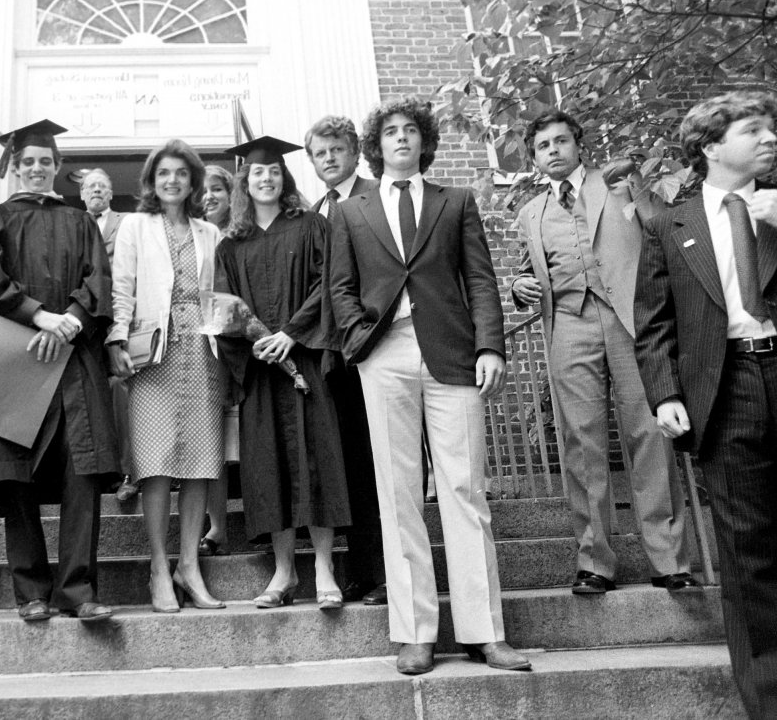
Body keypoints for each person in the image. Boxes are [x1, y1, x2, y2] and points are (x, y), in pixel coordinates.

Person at [330, 98, 529, 674]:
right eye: (389, 132)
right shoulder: (352, 211)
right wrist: (359, 339)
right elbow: (339, 286)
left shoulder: (455, 201)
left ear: (424, 142)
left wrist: (490, 345)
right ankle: (414, 633)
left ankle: (485, 632)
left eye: (410, 131)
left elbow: (482, 280)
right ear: (377, 145)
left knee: (464, 491)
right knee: (398, 496)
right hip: (383, 356)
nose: (400, 139)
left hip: (452, 354)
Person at [510, 109, 695, 595]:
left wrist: (637, 185)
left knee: (649, 434)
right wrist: (519, 284)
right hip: (568, 324)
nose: (553, 150)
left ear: (578, 145)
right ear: (534, 157)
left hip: (629, 321)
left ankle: (670, 559)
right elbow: (529, 269)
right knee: (582, 443)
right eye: (543, 145)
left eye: (561, 141)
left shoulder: (617, 185)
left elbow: (663, 227)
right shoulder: (530, 212)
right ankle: (595, 561)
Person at [634, 91, 777, 719]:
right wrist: (665, 393)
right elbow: (655, 320)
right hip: (728, 391)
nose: (770, 137)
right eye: (754, 129)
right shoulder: (672, 223)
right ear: (712, 146)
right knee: (748, 556)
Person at [0, 119, 119, 623]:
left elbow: (98, 278)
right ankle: (30, 592)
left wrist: (70, 320)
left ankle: (78, 592)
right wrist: (37, 315)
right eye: (27, 162)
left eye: (46, 161)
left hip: (73, 355)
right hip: (12, 354)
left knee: (81, 474)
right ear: (14, 167)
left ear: (57, 167)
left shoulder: (80, 222)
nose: (37, 169)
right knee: (15, 476)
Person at [215, 135, 350, 611]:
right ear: (244, 183)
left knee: (316, 462)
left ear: (284, 177)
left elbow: (328, 286)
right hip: (260, 370)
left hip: (306, 362)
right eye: (257, 173)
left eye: (273, 171)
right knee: (268, 468)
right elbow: (225, 308)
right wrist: (256, 343)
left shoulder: (311, 225)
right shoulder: (231, 245)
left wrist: (291, 333)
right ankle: (284, 572)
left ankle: (325, 570)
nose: (266, 178)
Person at [107, 139, 226, 613]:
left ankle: (189, 566)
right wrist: (117, 339)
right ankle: (159, 566)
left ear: (192, 181)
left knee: (199, 462)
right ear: (152, 183)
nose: (172, 180)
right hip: (152, 352)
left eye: (181, 173)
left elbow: (219, 293)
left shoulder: (209, 233)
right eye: (164, 174)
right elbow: (122, 287)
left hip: (201, 349)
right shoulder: (136, 226)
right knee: (154, 464)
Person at [303, 115, 387, 606]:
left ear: (355, 150)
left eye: (337, 148)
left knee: (383, 469)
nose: (330, 158)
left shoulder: (378, 198)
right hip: (332, 363)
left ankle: (387, 575)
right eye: (320, 152)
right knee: (351, 468)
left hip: (373, 350)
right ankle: (360, 570)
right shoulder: (315, 213)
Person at [81, 168, 138, 502]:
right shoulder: (73, 225)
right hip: (85, 323)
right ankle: (99, 473)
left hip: (118, 320)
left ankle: (129, 472)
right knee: (90, 397)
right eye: (91, 186)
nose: (97, 190)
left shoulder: (128, 223)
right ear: (83, 194)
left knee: (122, 391)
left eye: (102, 185)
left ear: (112, 193)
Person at [197, 163, 235, 557]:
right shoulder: (193, 236)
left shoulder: (240, 233)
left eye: (217, 189)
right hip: (206, 348)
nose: (209, 196)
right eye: (203, 190)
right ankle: (218, 525)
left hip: (240, 347)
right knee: (212, 441)